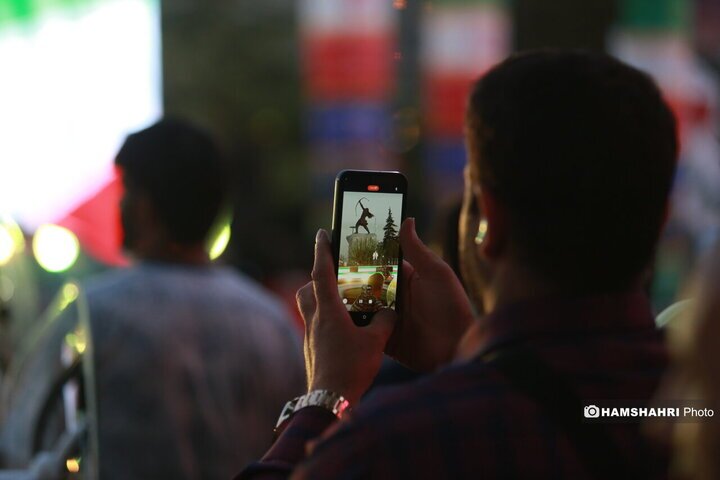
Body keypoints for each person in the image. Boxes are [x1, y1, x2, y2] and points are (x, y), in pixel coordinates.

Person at [239, 50, 678, 479]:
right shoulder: (695, 405)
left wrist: (325, 397)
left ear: (489, 221)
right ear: (661, 221)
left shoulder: (394, 446)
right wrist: (464, 355)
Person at [85, 119, 304, 480]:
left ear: (144, 206)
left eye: (126, 190)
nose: (120, 203)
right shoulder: (272, 321)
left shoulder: (95, 317)